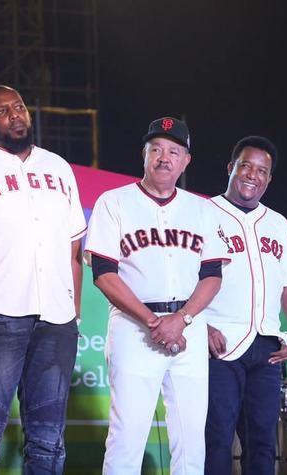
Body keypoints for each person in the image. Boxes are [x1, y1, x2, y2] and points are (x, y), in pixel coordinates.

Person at [84, 117, 227, 474]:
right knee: (127, 438)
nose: (165, 158)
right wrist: (153, 322)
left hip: (189, 327)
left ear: (185, 160)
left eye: (173, 151)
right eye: (157, 149)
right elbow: (103, 273)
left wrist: (181, 320)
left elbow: (212, 275)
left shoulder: (203, 209)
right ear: (144, 154)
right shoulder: (113, 202)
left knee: (192, 441)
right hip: (135, 327)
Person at [0, 85, 86, 473]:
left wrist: (74, 315)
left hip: (56, 322)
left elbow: (74, 251)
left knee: (48, 442)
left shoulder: (59, 167)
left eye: (19, 107)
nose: (14, 115)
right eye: (2, 111)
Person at [204, 136, 287, 475]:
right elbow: (183, 279)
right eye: (246, 166)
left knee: (263, 442)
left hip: (266, 348)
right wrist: (199, 325)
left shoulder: (277, 223)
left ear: (269, 178)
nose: (252, 175)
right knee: (216, 439)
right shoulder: (202, 213)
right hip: (219, 346)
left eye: (262, 170)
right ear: (231, 167)